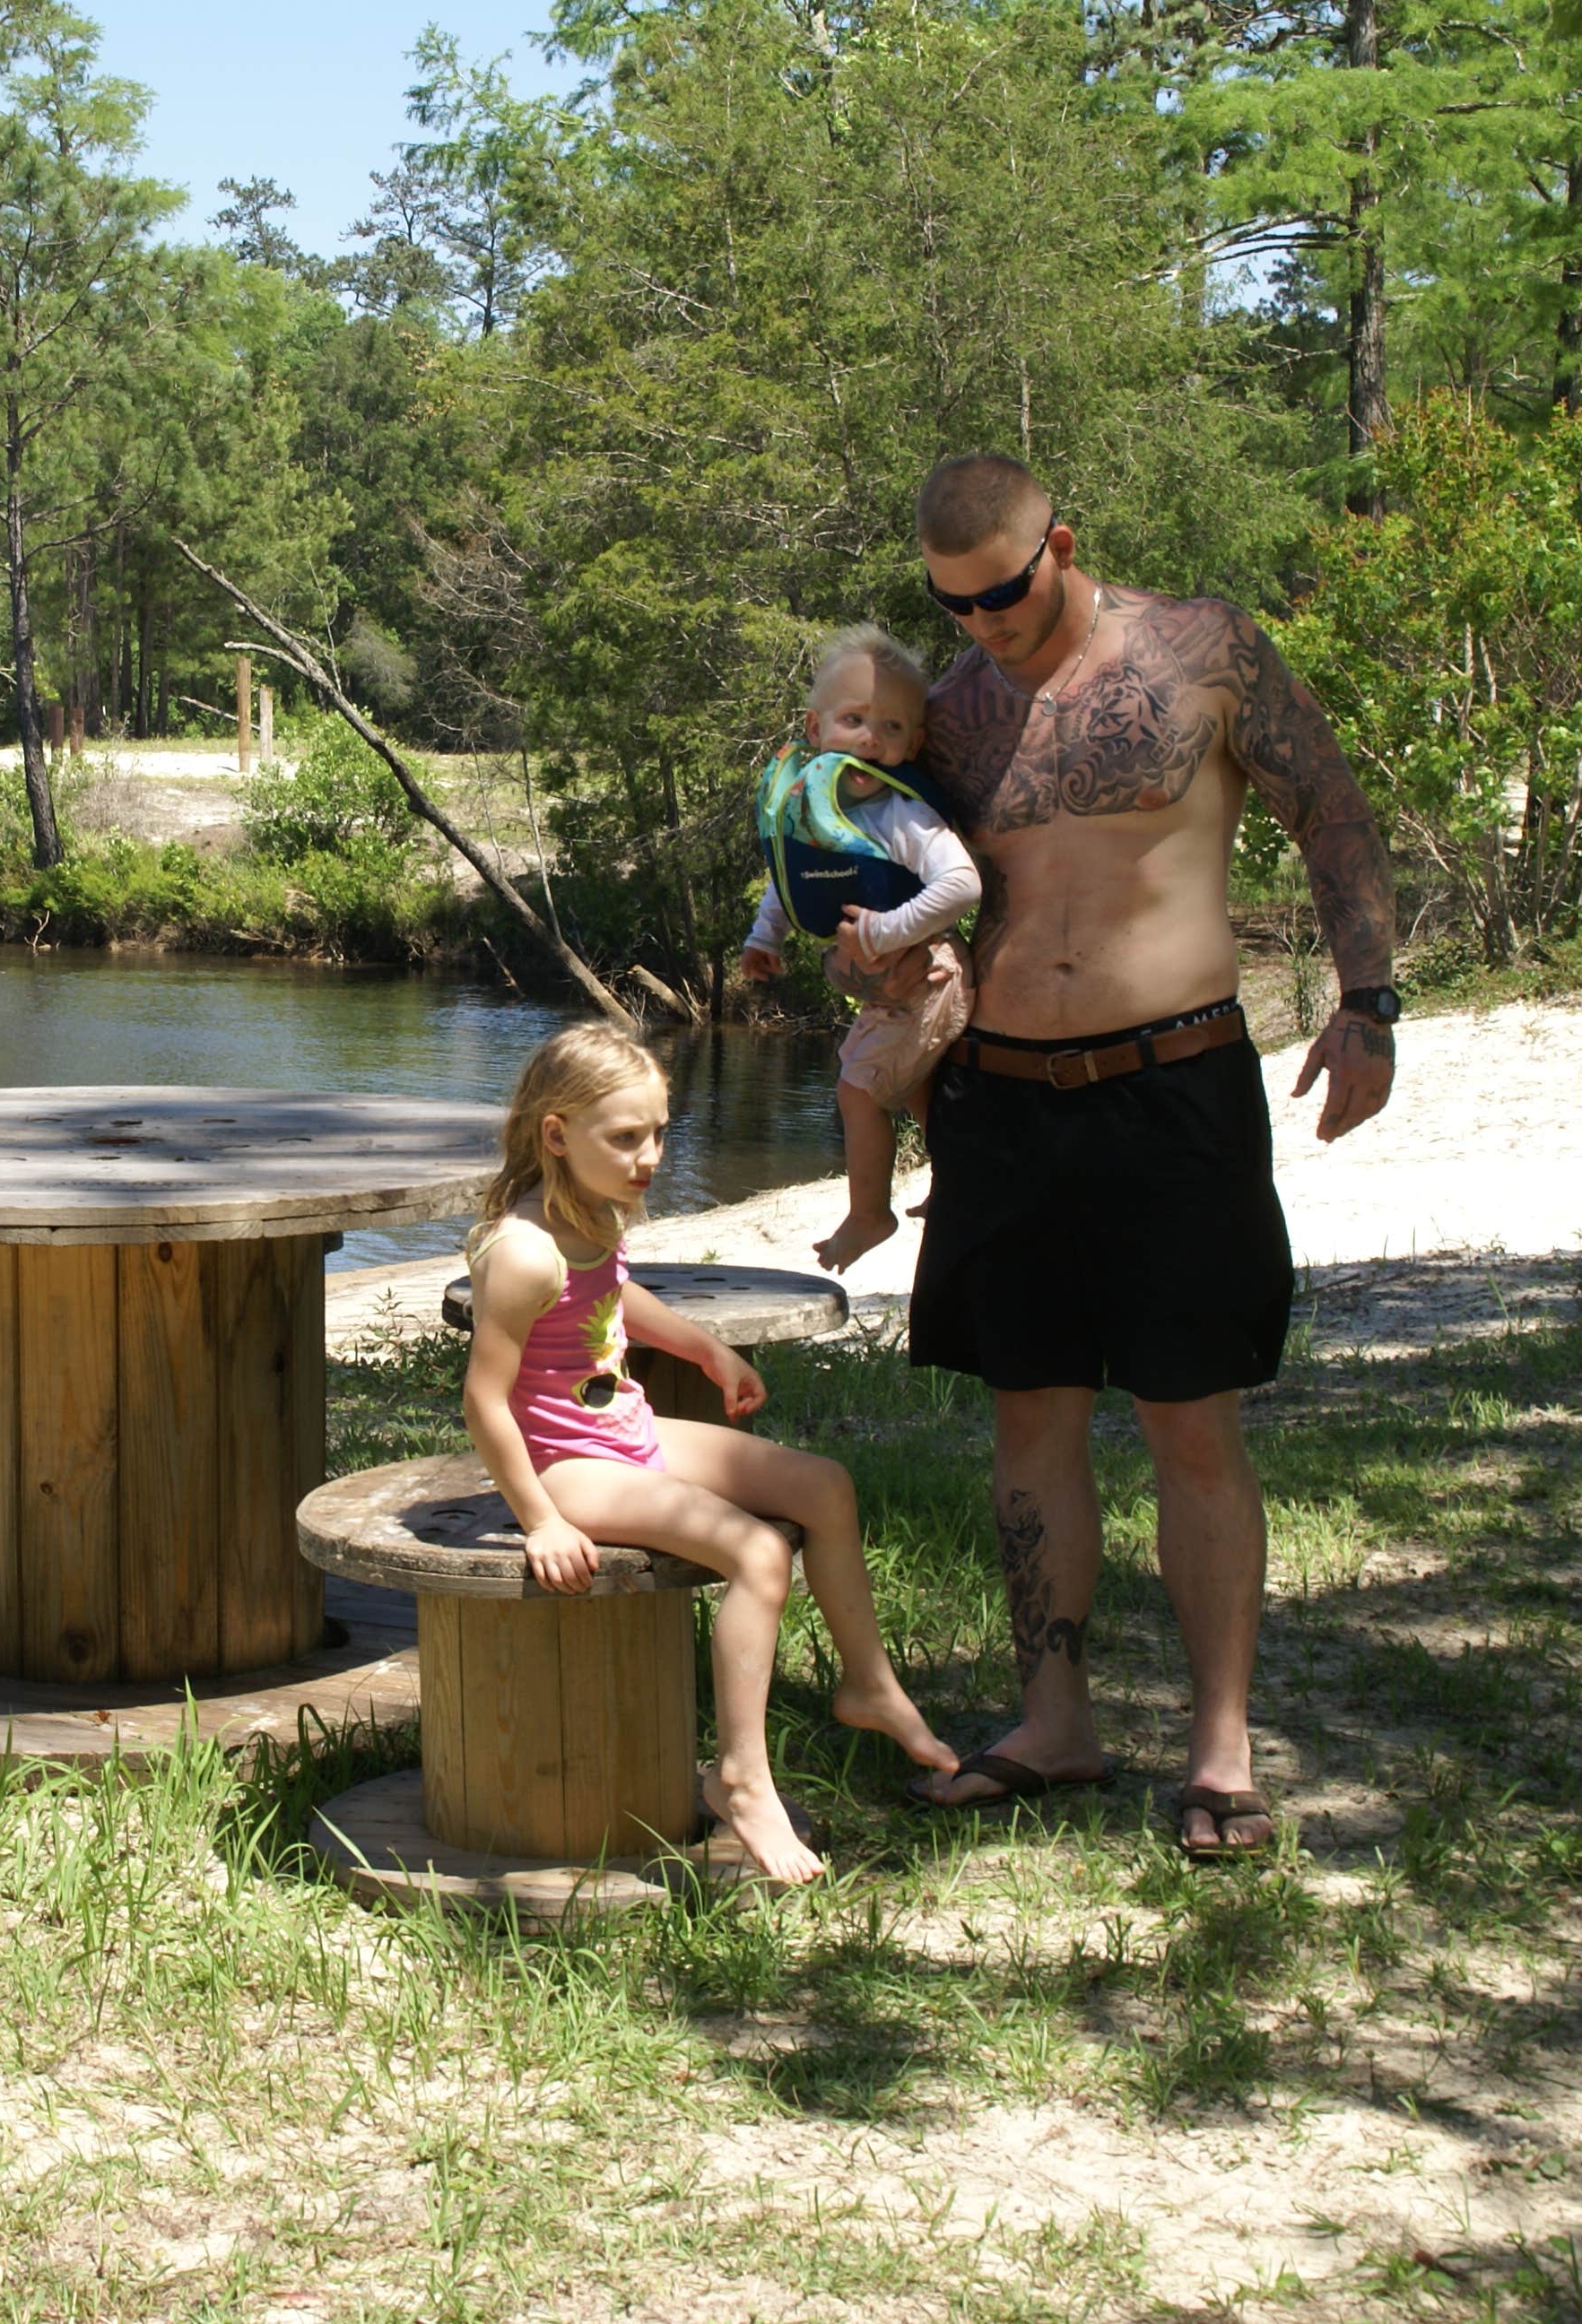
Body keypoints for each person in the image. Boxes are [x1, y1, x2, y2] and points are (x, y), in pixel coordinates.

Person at [871, 453, 1400, 1860]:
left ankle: (1222, 1752)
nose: (980, 623)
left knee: (1191, 1418)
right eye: (950, 602)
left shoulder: (1200, 648)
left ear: (1062, 547)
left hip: (1172, 1089)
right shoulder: (947, 709)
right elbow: (881, 875)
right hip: (1001, 1101)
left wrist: (1371, 1003)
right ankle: (1056, 1725)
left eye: (1000, 594)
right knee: (1029, 1416)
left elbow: (1330, 806)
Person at [460, 1020, 959, 1885]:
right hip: (565, 1470)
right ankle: (741, 1778)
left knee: (824, 1486)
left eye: (659, 1131)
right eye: (626, 1138)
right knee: (759, 1552)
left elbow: (615, 1295)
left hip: (623, 1432)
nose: (649, 1154)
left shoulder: (590, 1210)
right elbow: (483, 1400)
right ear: (555, 1135)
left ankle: (870, 1685)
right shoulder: (524, 1253)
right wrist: (539, 1519)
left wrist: (702, 1348)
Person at [738, 625, 980, 1274]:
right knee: (915, 1088)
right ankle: (957, 1180)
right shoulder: (815, 813)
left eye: (892, 729)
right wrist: (766, 938)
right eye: (854, 720)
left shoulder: (902, 815)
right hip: (901, 978)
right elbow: (788, 880)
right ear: (815, 732)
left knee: (858, 1088)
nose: (871, 739)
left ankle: (869, 1213)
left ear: (915, 745)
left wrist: (884, 930)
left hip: (927, 972)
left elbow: (962, 885)